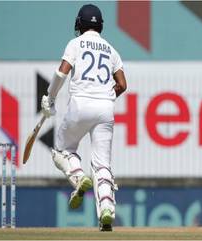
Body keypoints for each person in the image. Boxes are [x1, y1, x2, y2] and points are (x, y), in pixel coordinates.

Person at [41, 4, 127, 231]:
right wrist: (108, 95)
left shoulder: (75, 44)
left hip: (79, 105)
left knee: (61, 150)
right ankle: (107, 209)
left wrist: (49, 98)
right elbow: (122, 84)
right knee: (102, 164)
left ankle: (79, 178)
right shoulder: (111, 49)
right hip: (105, 108)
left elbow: (61, 72)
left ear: (79, 23)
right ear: (100, 25)